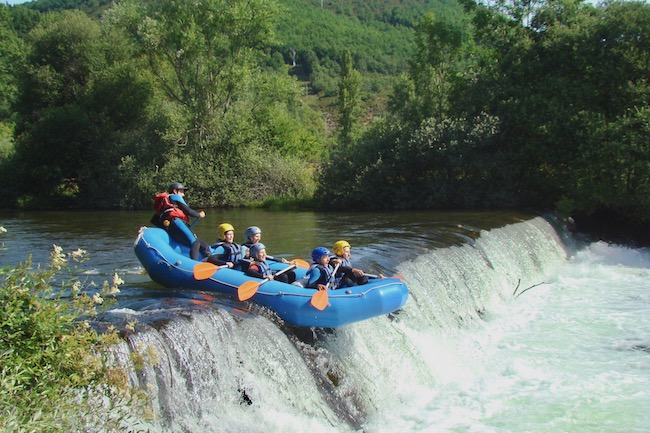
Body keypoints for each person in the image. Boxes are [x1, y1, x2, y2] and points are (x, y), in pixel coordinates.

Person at [151, 182, 210, 260]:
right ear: (175, 191)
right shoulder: (174, 196)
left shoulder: (164, 204)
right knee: (195, 242)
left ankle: (208, 257)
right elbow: (188, 211)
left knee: (204, 246)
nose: (183, 195)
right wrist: (198, 215)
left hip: (171, 228)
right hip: (177, 222)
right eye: (182, 192)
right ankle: (193, 265)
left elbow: (154, 220)